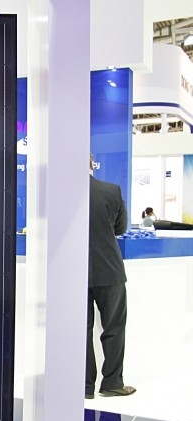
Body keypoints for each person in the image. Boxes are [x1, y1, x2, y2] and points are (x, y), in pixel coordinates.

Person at [86, 155, 136, 399]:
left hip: (74, 273)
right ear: (92, 165)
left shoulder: (60, 194)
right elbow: (120, 228)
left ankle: (84, 385)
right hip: (109, 269)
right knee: (114, 328)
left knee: (80, 330)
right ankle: (112, 383)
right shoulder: (111, 191)